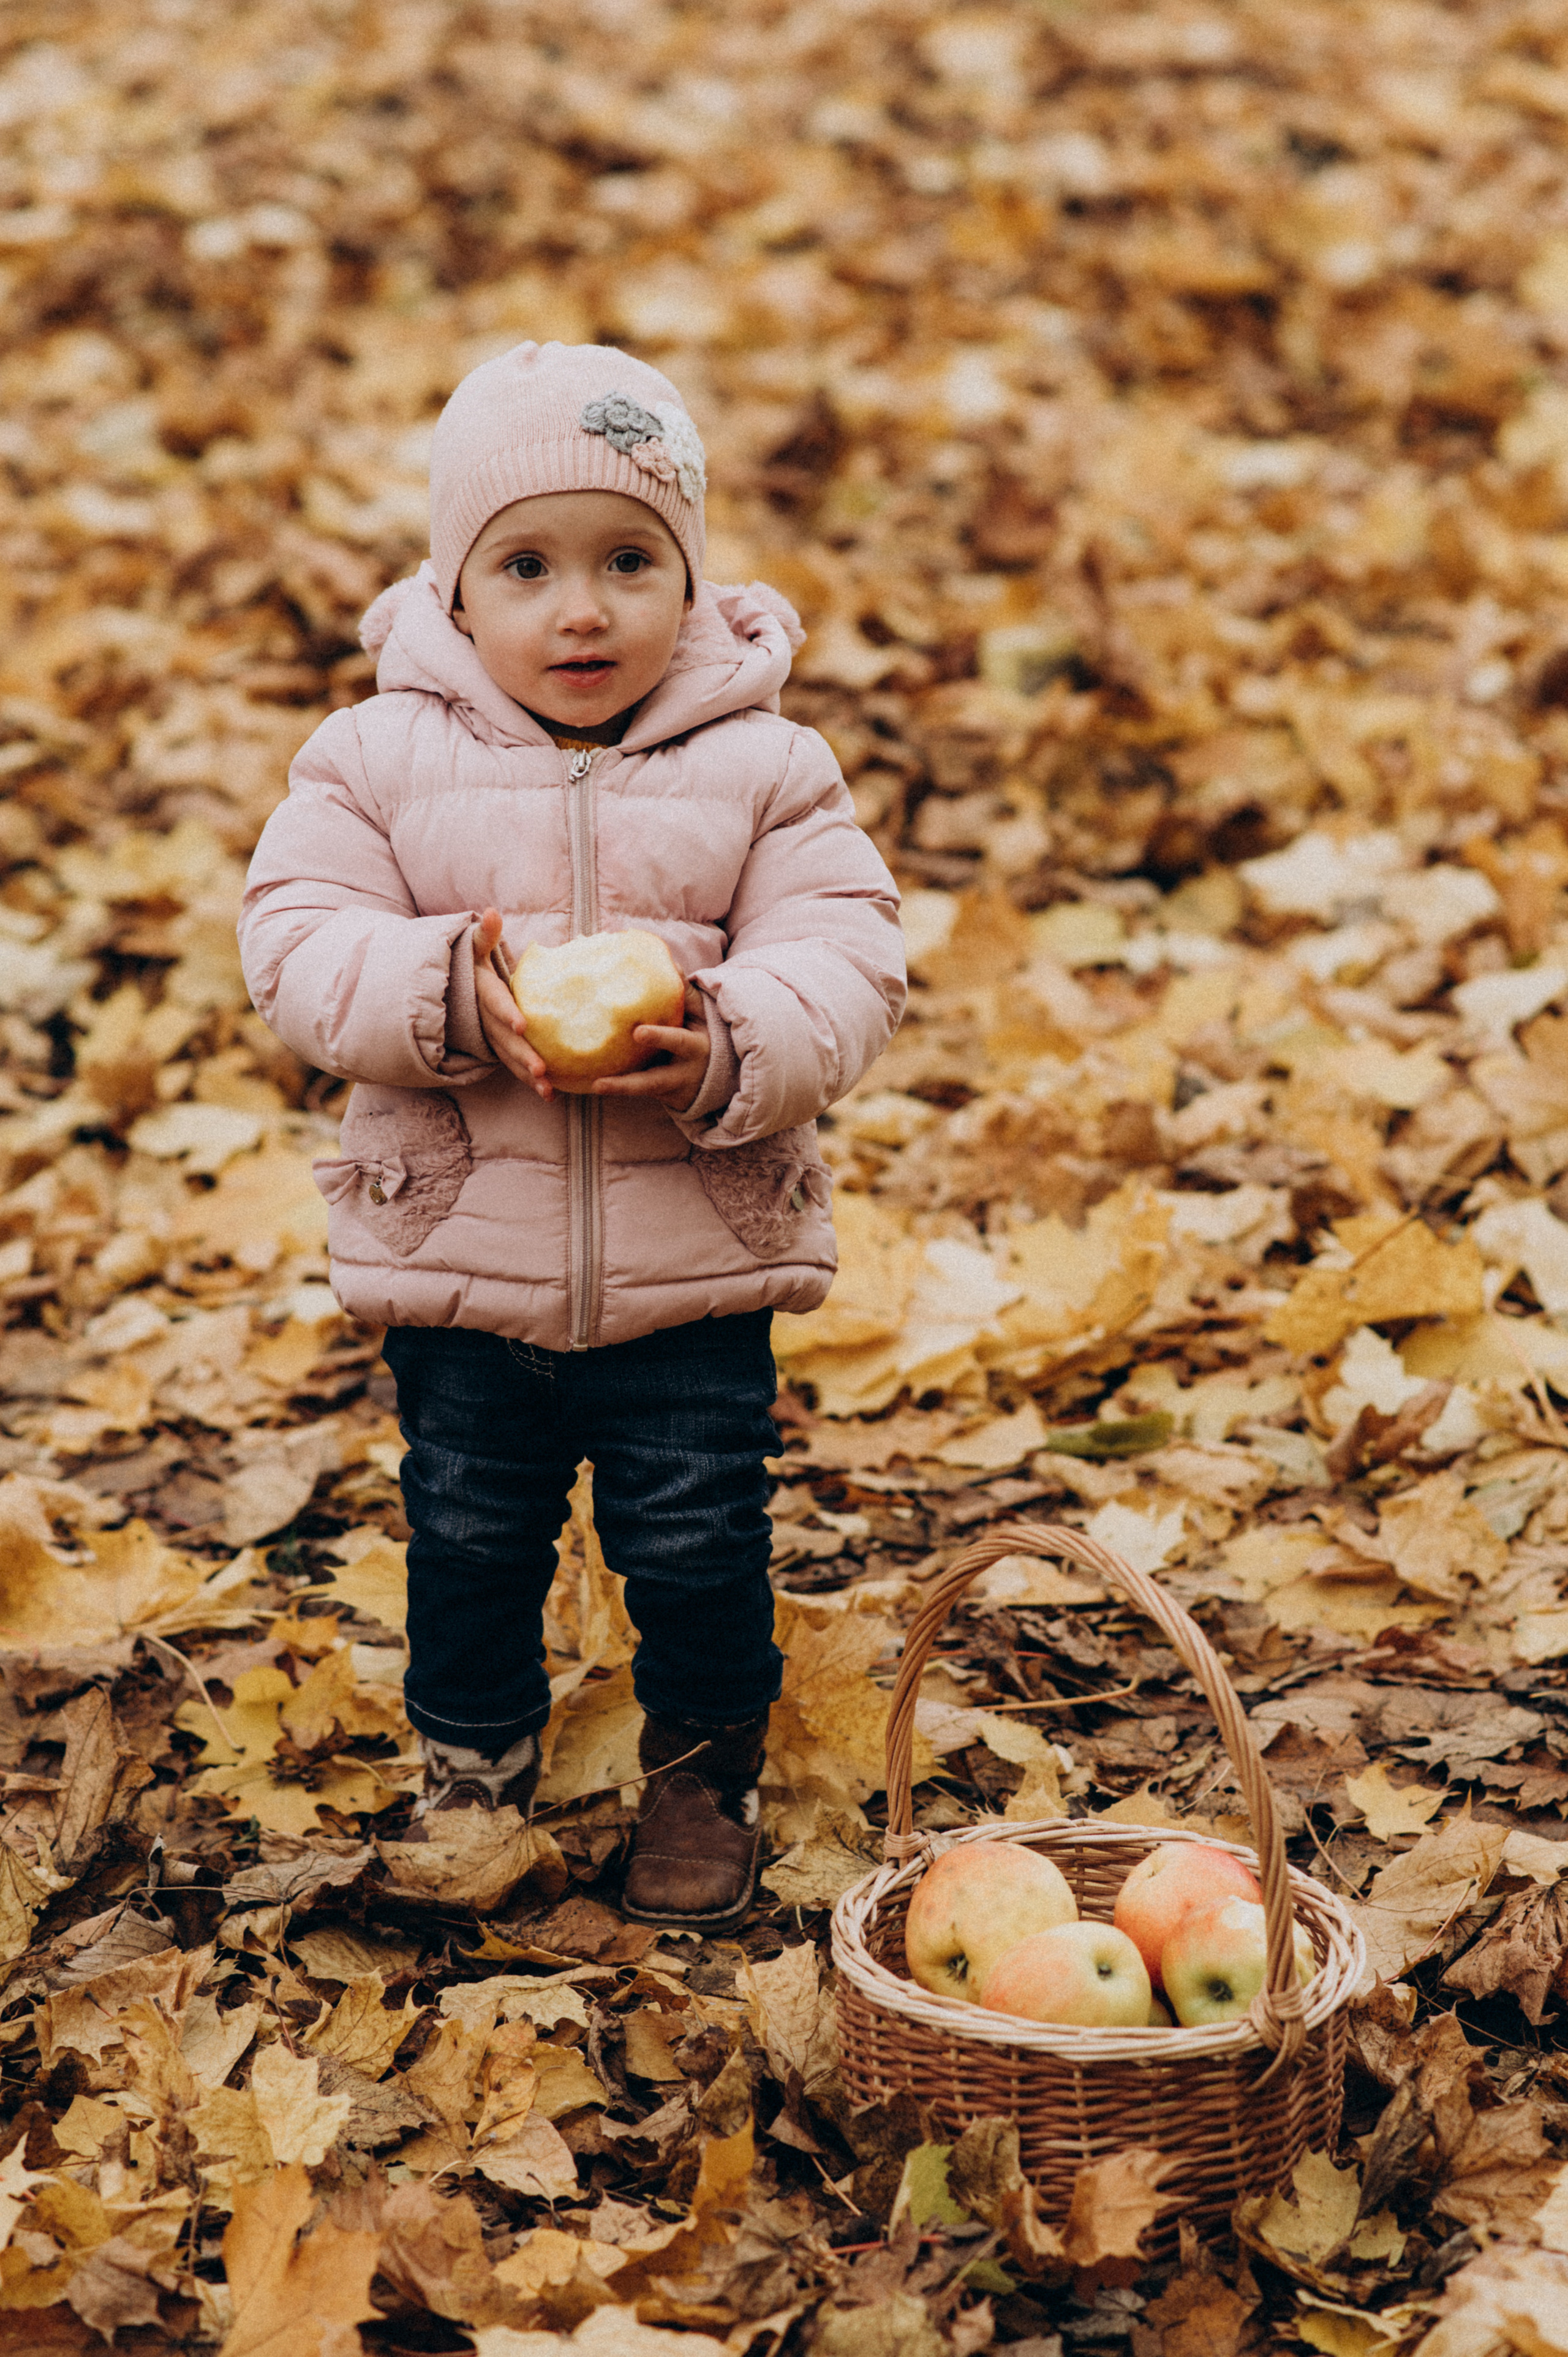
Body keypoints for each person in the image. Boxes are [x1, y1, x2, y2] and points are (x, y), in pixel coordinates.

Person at [238, 341, 905, 1931]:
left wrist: (729, 1035)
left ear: (695, 575)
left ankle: (701, 1769)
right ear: (457, 593)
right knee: (469, 1534)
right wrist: (448, 997)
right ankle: (470, 1773)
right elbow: (297, 942)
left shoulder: (766, 767)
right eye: (527, 567)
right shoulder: (377, 761)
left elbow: (852, 957)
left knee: (696, 1541)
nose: (582, 609)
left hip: (698, 1267)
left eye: (629, 561)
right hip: (460, 1251)